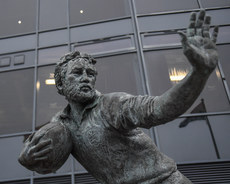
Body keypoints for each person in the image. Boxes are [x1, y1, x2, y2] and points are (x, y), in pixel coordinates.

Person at [18, 10, 219, 184]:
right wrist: (27, 158)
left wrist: (198, 73)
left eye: (91, 74)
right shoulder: (61, 124)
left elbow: (160, 109)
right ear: (60, 84)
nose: (86, 78)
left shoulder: (112, 104)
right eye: (78, 73)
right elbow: (49, 163)